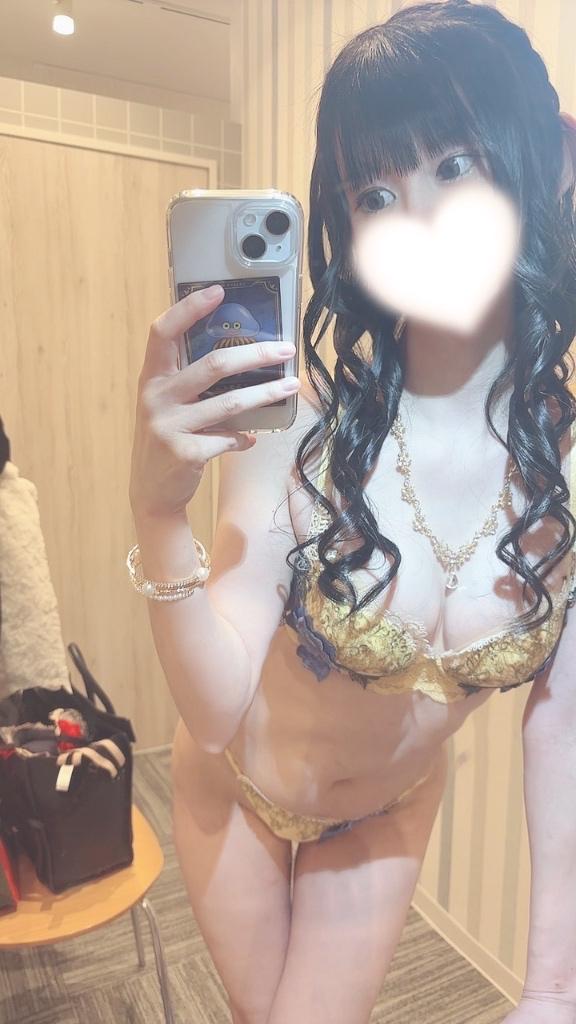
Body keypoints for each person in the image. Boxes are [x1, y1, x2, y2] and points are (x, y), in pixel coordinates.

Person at [127, 2, 576, 1022]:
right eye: (374, 193)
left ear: (542, 160)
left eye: (455, 165)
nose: (416, 221)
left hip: (387, 811)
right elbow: (214, 708)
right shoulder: (302, 426)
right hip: (236, 785)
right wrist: (157, 508)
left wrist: (554, 989)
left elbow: (564, 720)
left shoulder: (566, 461)